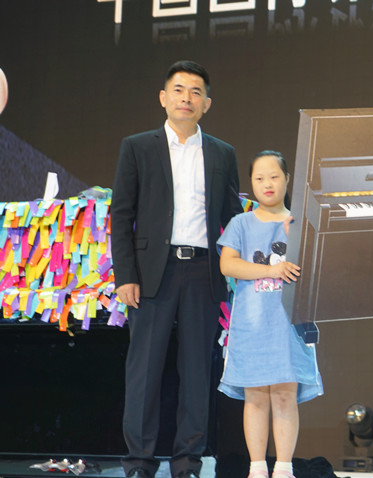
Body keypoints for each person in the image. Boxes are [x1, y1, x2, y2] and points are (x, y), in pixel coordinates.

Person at [111, 60, 243, 478]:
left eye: (196, 92)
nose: (187, 98)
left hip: (203, 272)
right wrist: (125, 275)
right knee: (144, 371)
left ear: (207, 103)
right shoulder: (137, 147)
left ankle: (188, 462)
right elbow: (121, 215)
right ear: (163, 98)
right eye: (179, 90)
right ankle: (139, 462)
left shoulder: (222, 153)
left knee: (197, 372)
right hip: (152, 273)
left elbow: (233, 218)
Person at [217, 151, 323, 478]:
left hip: (289, 323)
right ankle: (257, 468)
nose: (267, 184)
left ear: (287, 179)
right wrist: (270, 270)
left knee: (285, 394)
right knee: (255, 395)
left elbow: (318, 266)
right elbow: (228, 264)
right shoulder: (241, 223)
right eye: (259, 178)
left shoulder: (301, 223)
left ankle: (284, 468)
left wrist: (297, 237)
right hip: (251, 323)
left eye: (274, 176)